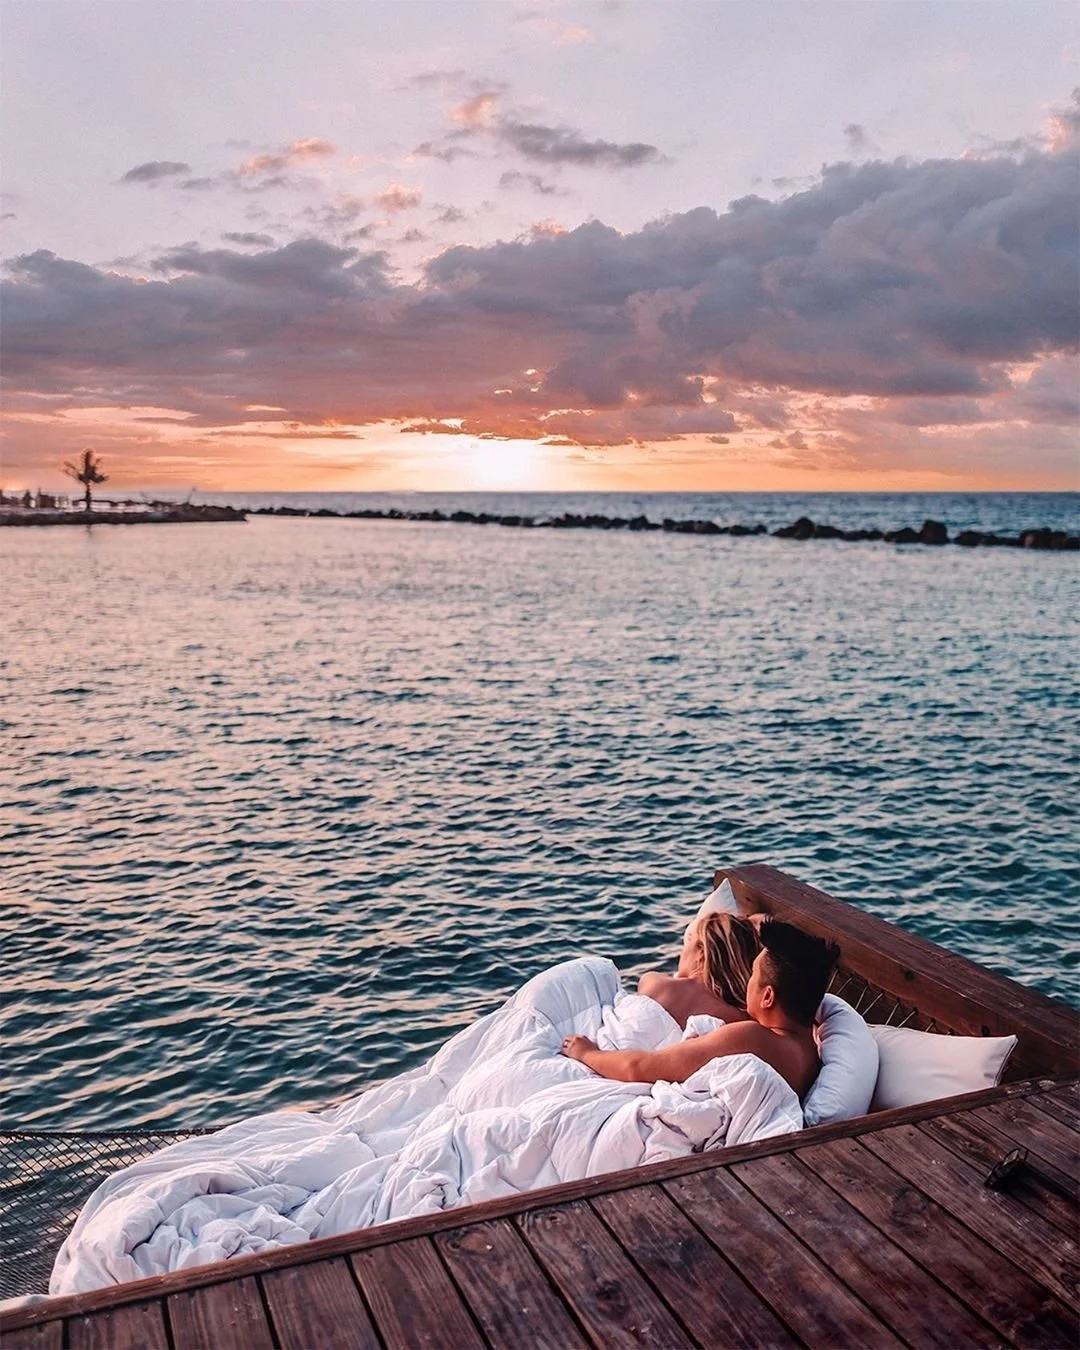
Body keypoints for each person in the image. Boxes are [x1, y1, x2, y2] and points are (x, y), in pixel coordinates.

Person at [562, 919, 840, 1099]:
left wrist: (587, 1052)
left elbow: (640, 1067)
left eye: (753, 974)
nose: (748, 982)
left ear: (767, 997)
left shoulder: (751, 1037)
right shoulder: (809, 1052)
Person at [637, 911, 759, 1028]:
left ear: (701, 953)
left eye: (688, 942)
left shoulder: (654, 982)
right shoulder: (740, 1019)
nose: (683, 951)